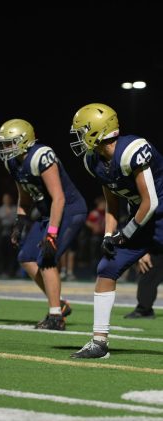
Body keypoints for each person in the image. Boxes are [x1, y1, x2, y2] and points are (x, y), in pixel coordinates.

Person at [69, 102, 163, 359]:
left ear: (98, 130)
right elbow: (112, 202)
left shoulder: (131, 150)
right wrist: (110, 234)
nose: (78, 137)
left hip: (151, 214)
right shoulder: (94, 161)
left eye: (82, 130)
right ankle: (99, 342)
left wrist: (126, 232)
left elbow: (151, 201)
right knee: (107, 268)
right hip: (144, 220)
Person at [0, 118, 87, 330]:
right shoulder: (12, 162)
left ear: (24, 140)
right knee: (26, 258)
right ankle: (60, 304)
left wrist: (51, 235)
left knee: (47, 257)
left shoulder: (40, 156)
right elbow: (25, 197)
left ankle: (56, 316)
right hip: (48, 213)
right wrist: (20, 222)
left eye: (10, 142)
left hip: (70, 210)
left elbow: (59, 198)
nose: (6, 148)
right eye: (4, 144)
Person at [123, 252, 163, 319]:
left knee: (148, 277)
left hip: (156, 249)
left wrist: (145, 252)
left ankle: (144, 310)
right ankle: (144, 309)